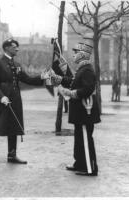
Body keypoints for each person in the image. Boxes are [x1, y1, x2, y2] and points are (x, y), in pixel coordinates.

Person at [0, 38, 49, 164]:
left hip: (15, 99)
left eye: (17, 46)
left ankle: (12, 155)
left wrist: (41, 77)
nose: (17, 49)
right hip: (0, 100)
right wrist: (1, 97)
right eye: (14, 46)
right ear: (6, 48)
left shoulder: (17, 65)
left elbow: (27, 79)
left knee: (13, 125)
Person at [56, 42, 101, 176]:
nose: (74, 55)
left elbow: (87, 89)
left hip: (85, 111)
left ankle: (89, 168)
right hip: (81, 111)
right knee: (79, 138)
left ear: (81, 55)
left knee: (85, 139)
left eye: (75, 53)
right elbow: (73, 81)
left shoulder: (86, 70)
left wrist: (70, 93)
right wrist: (59, 79)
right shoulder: (82, 69)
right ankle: (80, 164)